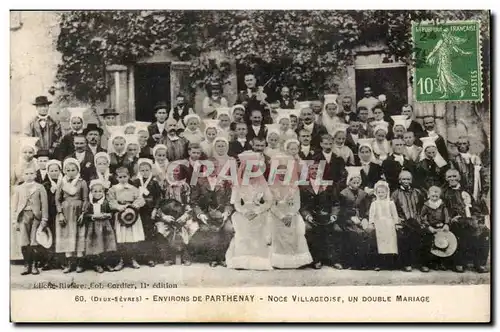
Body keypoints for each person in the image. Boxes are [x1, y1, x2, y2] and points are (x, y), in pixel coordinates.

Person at [226, 151, 274, 270]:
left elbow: (269, 202)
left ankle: (259, 260)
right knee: (243, 227)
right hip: (243, 212)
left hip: (259, 211)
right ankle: (241, 260)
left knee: (260, 227)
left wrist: (257, 211)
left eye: (253, 169)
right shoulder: (239, 184)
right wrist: (244, 212)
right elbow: (236, 203)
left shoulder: (262, 184)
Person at [268, 154, 313, 269]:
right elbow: (271, 204)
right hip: (277, 214)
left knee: (295, 228)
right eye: (280, 173)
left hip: (291, 213)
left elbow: (297, 203)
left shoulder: (294, 186)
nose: (282, 175)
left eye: (285, 172)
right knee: (277, 229)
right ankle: (279, 261)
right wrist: (282, 216)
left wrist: (290, 215)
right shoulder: (271, 186)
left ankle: (296, 261)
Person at [442, 169, 489, 273]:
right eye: (449, 177)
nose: (452, 179)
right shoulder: (445, 193)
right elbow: (443, 210)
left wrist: (476, 217)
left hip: (471, 219)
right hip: (455, 220)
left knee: (484, 231)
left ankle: (480, 263)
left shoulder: (466, 191)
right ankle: (459, 262)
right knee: (462, 230)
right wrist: (450, 219)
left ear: (459, 178)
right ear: (446, 179)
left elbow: (475, 207)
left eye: (454, 176)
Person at [189, 165, 234, 268]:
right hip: (206, 214)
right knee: (208, 229)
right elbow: (193, 202)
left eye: (214, 167)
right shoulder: (198, 181)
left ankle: (222, 257)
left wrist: (226, 213)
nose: (212, 170)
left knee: (229, 229)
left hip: (221, 214)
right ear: (204, 169)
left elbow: (229, 201)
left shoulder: (224, 182)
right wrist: (200, 215)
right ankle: (213, 258)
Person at [299, 162, 342, 269]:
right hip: (311, 217)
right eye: (312, 169)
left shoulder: (329, 184)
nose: (314, 171)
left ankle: (333, 259)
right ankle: (316, 260)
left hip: (327, 216)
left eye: (317, 169)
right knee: (309, 230)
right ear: (308, 171)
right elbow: (302, 206)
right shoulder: (303, 185)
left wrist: (333, 215)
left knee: (337, 230)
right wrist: (307, 216)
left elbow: (335, 203)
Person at [11, 167, 49, 275]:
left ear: (35, 175)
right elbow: (15, 205)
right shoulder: (19, 188)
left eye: (31, 173)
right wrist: (14, 220)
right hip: (23, 216)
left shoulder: (40, 187)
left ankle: (34, 265)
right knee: (24, 241)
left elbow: (44, 205)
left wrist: (44, 219)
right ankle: (26, 265)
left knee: (34, 241)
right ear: (23, 175)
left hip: (36, 216)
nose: (29, 175)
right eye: (26, 173)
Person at [108, 166, 146, 271]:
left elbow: (140, 200)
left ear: (128, 176)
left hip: (132, 215)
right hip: (120, 215)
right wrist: (119, 207)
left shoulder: (133, 188)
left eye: (125, 176)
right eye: (120, 177)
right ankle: (122, 260)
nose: (123, 179)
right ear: (116, 178)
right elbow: (111, 201)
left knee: (132, 238)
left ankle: (132, 259)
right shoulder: (113, 189)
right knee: (121, 238)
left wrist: (133, 206)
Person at [55, 158, 89, 273]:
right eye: (68, 170)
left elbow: (85, 199)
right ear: (64, 171)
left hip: (78, 212)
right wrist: (60, 213)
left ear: (77, 170)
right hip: (65, 213)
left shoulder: (82, 182)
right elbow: (57, 200)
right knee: (66, 235)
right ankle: (69, 264)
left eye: (73, 170)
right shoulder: (62, 183)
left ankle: (80, 264)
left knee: (80, 235)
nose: (70, 172)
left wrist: (83, 213)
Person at [390, 170, 427, 272]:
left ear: (411, 180)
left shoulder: (418, 192)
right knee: (405, 238)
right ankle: (407, 263)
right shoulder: (395, 194)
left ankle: (421, 263)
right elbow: (392, 210)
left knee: (422, 236)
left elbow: (422, 208)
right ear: (399, 180)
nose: (406, 181)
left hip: (417, 221)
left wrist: (422, 220)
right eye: (403, 179)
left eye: (408, 179)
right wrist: (397, 222)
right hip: (403, 222)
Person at [338, 167, 372, 270]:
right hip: (347, 219)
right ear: (349, 182)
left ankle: (364, 262)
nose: (356, 184)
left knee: (367, 232)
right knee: (356, 233)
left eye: (358, 182)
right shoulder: (343, 193)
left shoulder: (363, 194)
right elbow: (341, 209)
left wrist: (364, 218)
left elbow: (366, 207)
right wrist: (351, 217)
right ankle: (352, 263)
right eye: (354, 182)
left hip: (360, 218)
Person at [132, 158, 163, 267]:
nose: (144, 172)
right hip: (139, 211)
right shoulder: (135, 182)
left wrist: (155, 209)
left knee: (149, 234)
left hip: (150, 211)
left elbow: (158, 197)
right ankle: (138, 257)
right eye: (142, 170)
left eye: (146, 170)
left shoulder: (154, 183)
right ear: (139, 171)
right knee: (139, 233)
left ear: (150, 170)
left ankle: (150, 257)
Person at [83, 179, 117, 273]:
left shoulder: (105, 202)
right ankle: (96, 264)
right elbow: (86, 215)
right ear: (91, 192)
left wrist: (108, 215)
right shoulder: (89, 203)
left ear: (103, 192)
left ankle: (106, 263)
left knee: (106, 245)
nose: (98, 193)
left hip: (105, 226)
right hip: (93, 227)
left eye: (100, 191)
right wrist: (93, 216)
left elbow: (111, 212)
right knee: (96, 245)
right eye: (95, 191)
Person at [450, 136, 489, 213]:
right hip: (462, 191)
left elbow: (484, 175)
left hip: (476, 191)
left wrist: (484, 193)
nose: (462, 146)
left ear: (468, 144)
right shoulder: (454, 160)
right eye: (459, 144)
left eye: (464, 143)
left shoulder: (475, 158)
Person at [368, 180, 400, 271]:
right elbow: (371, 214)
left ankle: (390, 264)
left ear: (387, 192)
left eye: (383, 192)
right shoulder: (374, 203)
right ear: (376, 193)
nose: (381, 194)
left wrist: (396, 223)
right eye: (379, 192)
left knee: (390, 244)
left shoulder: (390, 203)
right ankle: (380, 264)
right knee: (380, 245)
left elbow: (394, 214)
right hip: (379, 226)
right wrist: (371, 223)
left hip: (389, 225)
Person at [420, 186, 452, 271]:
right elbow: (422, 217)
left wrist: (446, 224)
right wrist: (428, 226)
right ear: (429, 195)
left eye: (436, 196)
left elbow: (446, 215)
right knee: (430, 244)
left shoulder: (442, 205)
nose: (434, 198)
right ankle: (427, 264)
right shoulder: (426, 205)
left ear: (439, 196)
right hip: (431, 227)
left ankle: (441, 263)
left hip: (441, 227)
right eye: (432, 196)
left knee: (442, 244)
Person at [39, 159, 62, 271]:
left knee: (61, 236)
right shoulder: (45, 185)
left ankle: (62, 261)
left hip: (62, 213)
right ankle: (50, 261)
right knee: (50, 236)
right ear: (48, 172)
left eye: (56, 170)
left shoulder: (64, 182)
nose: (54, 173)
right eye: (51, 171)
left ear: (60, 170)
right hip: (50, 214)